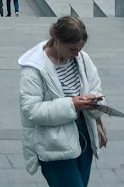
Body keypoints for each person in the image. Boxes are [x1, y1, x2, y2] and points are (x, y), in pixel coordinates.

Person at [19, 15, 107, 186]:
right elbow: (31, 110)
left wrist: (96, 113)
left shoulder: (82, 59)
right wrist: (72, 104)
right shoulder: (34, 69)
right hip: (54, 143)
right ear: (57, 41)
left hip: (84, 133)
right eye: (72, 49)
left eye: (80, 49)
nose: (76, 54)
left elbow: (96, 88)